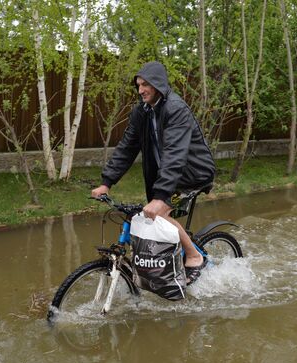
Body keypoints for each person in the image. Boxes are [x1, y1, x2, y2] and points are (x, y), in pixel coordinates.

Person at [91, 61, 215, 285]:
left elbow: (175, 155)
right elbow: (127, 147)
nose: (140, 90)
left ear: (158, 84)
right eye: (138, 85)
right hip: (170, 178)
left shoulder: (176, 109)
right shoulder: (142, 112)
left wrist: (161, 197)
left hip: (193, 176)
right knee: (153, 219)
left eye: (145, 84)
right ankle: (173, 261)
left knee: (160, 214)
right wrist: (106, 182)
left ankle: (195, 257)